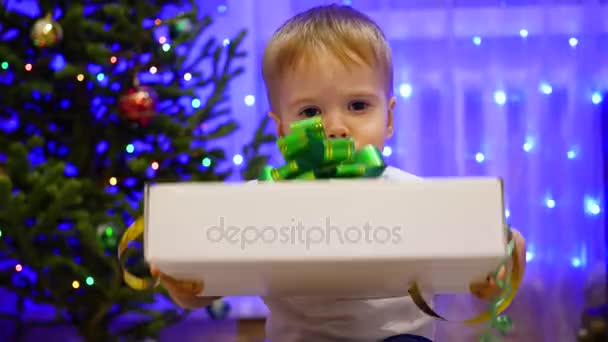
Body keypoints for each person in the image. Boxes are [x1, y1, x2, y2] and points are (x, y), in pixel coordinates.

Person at [151, 4, 527, 341]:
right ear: (281, 128)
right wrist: (184, 282)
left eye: (358, 105)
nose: (335, 127)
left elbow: (485, 278)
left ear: (389, 117)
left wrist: (500, 261)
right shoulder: (262, 201)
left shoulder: (418, 199)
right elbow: (203, 290)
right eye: (310, 112)